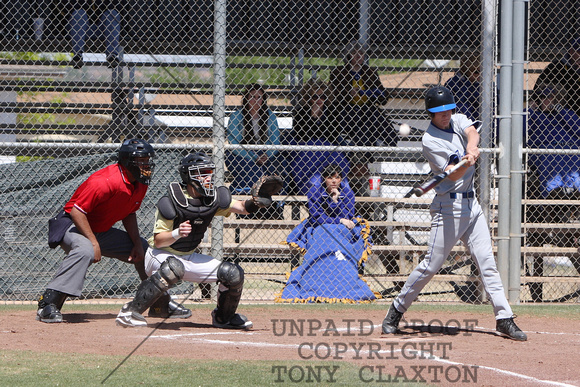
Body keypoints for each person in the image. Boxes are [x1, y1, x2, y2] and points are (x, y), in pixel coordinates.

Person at [381, 86, 527, 341]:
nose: (444, 115)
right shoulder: (430, 140)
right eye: (438, 113)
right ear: (430, 114)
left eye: (447, 110)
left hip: (472, 207)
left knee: (486, 262)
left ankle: (504, 318)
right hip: (448, 209)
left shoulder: (457, 119)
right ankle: (396, 310)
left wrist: (471, 148)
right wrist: (466, 163)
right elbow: (454, 173)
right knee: (430, 266)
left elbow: (472, 132)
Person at [116, 152, 281, 329]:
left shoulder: (213, 198)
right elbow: (158, 241)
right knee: (173, 267)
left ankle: (224, 317)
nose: (208, 177)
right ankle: (130, 311)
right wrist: (177, 233)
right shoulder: (172, 201)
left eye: (209, 172)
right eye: (202, 173)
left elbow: (241, 207)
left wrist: (255, 202)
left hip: (187, 257)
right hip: (159, 256)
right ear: (188, 176)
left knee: (233, 273)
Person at [37, 139, 190, 323]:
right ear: (127, 162)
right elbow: (77, 212)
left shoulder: (140, 182)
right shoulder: (104, 181)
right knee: (85, 250)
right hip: (71, 224)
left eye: (148, 160)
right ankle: (48, 303)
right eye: (141, 160)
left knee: (144, 249)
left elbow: (129, 212)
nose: (146, 165)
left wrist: (135, 244)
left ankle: (160, 303)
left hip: (99, 230)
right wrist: (94, 243)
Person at [277, 164, 375, 303]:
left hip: (341, 229)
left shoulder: (347, 193)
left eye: (337, 177)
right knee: (323, 231)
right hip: (320, 228)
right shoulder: (314, 192)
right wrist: (338, 219)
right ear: (324, 179)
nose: (334, 181)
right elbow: (317, 217)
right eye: (330, 177)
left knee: (344, 232)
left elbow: (348, 214)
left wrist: (336, 201)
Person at [525, 84, 580, 302]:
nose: (549, 101)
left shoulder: (566, 115)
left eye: (553, 97)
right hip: (547, 187)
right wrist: (533, 109)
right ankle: (536, 296)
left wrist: (560, 111)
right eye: (545, 97)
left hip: (573, 183)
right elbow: (521, 132)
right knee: (540, 237)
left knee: (570, 236)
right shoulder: (532, 116)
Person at [329, 41, 396, 195]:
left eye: (361, 53)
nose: (358, 56)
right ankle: (363, 153)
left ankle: (386, 142)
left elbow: (383, 96)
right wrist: (349, 94)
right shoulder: (339, 72)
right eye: (354, 53)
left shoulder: (370, 72)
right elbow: (335, 94)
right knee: (359, 119)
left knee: (372, 115)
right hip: (346, 110)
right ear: (348, 56)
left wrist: (365, 93)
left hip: (366, 110)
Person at [287, 79, 350, 195]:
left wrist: (319, 120)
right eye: (315, 97)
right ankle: (312, 188)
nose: (319, 100)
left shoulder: (332, 112)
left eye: (322, 96)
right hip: (307, 148)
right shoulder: (300, 112)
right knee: (307, 159)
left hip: (327, 147)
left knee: (339, 159)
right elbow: (303, 135)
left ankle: (339, 189)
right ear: (308, 98)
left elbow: (332, 135)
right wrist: (313, 117)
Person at [226, 83, 286, 192]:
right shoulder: (237, 116)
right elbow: (234, 145)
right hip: (242, 154)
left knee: (276, 165)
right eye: (252, 97)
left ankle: (266, 196)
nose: (256, 100)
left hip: (265, 153)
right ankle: (247, 191)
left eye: (259, 97)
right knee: (254, 170)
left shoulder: (270, 116)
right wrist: (254, 157)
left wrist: (267, 155)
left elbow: (276, 142)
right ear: (246, 98)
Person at [56, 0, 124, 69]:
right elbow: (66, 8)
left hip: (103, 28)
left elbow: (118, 7)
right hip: (77, 27)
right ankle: (77, 56)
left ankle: (112, 55)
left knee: (112, 13)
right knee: (79, 13)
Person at [534, 36, 580, 117]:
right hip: (559, 114)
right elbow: (538, 91)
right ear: (571, 51)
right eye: (579, 52)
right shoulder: (555, 68)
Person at [444, 53, 481, 121]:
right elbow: (459, 105)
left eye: (482, 71)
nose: (480, 75)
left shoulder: (484, 84)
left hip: (479, 115)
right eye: (476, 72)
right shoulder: (454, 83)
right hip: (462, 117)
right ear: (466, 71)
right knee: (462, 104)